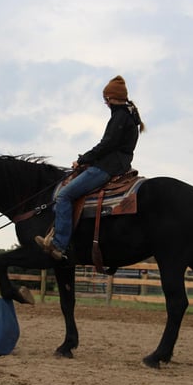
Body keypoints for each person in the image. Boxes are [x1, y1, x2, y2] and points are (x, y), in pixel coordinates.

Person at [35, 75, 145, 261]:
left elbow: (106, 144)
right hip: (117, 164)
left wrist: (83, 159)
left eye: (106, 99)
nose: (106, 103)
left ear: (110, 98)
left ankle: (59, 244)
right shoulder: (129, 117)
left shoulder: (119, 117)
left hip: (108, 167)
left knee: (64, 196)